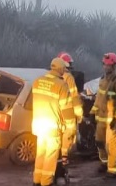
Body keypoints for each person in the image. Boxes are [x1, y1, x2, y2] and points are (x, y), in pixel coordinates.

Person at [32, 57, 75, 186]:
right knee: (50, 158)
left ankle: (36, 181)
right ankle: (46, 183)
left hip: (39, 126)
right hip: (52, 128)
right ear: (61, 69)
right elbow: (66, 110)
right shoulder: (61, 85)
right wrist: (71, 128)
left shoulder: (37, 81)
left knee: (40, 155)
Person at [89, 52, 116, 178]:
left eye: (108, 65)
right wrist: (92, 112)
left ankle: (113, 170)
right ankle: (105, 163)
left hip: (113, 120)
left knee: (111, 145)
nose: (106, 67)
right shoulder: (102, 79)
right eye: (104, 64)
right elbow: (99, 98)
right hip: (102, 118)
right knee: (99, 142)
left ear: (114, 66)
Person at [57, 52, 84, 165]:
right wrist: (79, 113)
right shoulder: (69, 77)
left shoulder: (50, 76)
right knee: (69, 132)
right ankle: (64, 158)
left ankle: (55, 156)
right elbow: (74, 96)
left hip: (53, 110)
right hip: (67, 110)